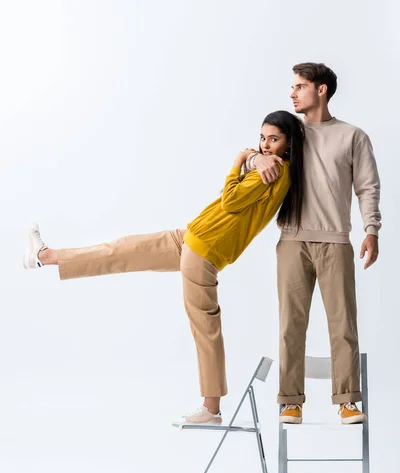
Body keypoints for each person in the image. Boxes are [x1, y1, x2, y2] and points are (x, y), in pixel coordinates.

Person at [23, 110, 305, 425]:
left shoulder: (275, 171)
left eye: (274, 139)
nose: (266, 145)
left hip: (202, 250)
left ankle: (211, 409)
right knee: (121, 249)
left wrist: (240, 162)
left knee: (205, 329)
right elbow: (248, 175)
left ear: (289, 143)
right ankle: (46, 256)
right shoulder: (268, 164)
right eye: (263, 138)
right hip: (189, 237)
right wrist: (252, 158)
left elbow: (229, 200)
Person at [249, 63, 381, 425]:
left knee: (343, 324)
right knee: (291, 324)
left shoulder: (352, 136)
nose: (292, 93)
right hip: (291, 240)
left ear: (321, 90)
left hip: (335, 241)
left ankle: (348, 400)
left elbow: (367, 187)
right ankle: (290, 400)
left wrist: (372, 230)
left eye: (300, 86)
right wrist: (256, 157)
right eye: (292, 87)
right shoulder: (289, 134)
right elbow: (252, 155)